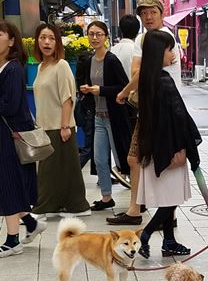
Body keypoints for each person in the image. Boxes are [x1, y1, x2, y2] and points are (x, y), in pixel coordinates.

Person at [108, 0, 180, 226]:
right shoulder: (145, 38)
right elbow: (138, 70)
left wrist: (123, 92)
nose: (148, 17)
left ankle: (151, 214)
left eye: (152, 12)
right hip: (152, 109)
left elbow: (141, 71)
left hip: (162, 110)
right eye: (144, 13)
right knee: (139, 159)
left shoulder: (162, 39)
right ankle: (144, 211)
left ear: (161, 12)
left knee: (149, 160)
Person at [136, 30, 201, 259]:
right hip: (170, 147)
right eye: (169, 49)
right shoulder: (164, 80)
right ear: (158, 52)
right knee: (170, 200)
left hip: (153, 145)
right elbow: (178, 116)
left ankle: (169, 241)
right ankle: (145, 234)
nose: (172, 53)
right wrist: (184, 147)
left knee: (167, 199)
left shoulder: (147, 78)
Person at [32, 23, 90, 218]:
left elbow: (67, 98)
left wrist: (65, 126)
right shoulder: (41, 67)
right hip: (45, 127)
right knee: (59, 169)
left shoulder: (61, 65)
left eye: (51, 38)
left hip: (60, 126)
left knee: (52, 170)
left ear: (57, 42)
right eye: (42, 38)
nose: (46, 42)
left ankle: (46, 207)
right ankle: (65, 205)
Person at [0, 21, 47, 257]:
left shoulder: (13, 68)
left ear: (11, 41)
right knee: (10, 184)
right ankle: (30, 222)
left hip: (10, 136)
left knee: (8, 184)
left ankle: (12, 240)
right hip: (5, 135)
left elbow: (10, 105)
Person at [78, 21, 131, 211]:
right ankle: (107, 197)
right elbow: (90, 87)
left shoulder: (111, 60)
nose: (94, 38)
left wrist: (100, 90)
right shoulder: (89, 60)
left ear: (106, 36)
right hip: (98, 117)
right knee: (100, 159)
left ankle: (137, 198)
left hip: (114, 117)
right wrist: (86, 90)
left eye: (98, 34)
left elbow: (123, 86)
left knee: (123, 159)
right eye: (91, 34)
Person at [111, 14, 140, 81]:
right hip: (133, 90)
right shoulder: (138, 52)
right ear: (137, 31)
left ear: (120, 30)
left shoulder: (112, 50)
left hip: (114, 90)